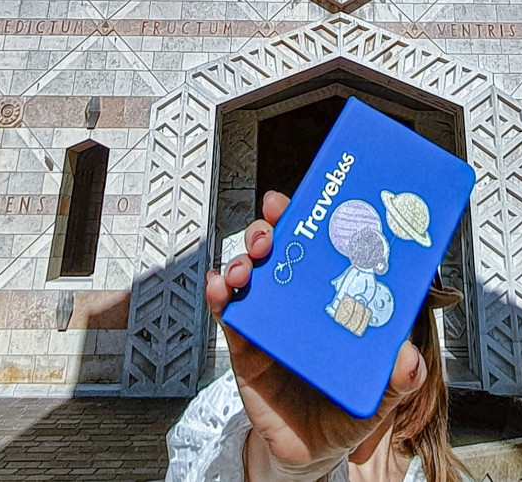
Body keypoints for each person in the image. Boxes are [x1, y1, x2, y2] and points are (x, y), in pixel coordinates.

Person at [165, 189, 465, 482]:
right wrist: (280, 470)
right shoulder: (228, 407)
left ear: (420, 334)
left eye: (401, 312)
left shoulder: (440, 475)